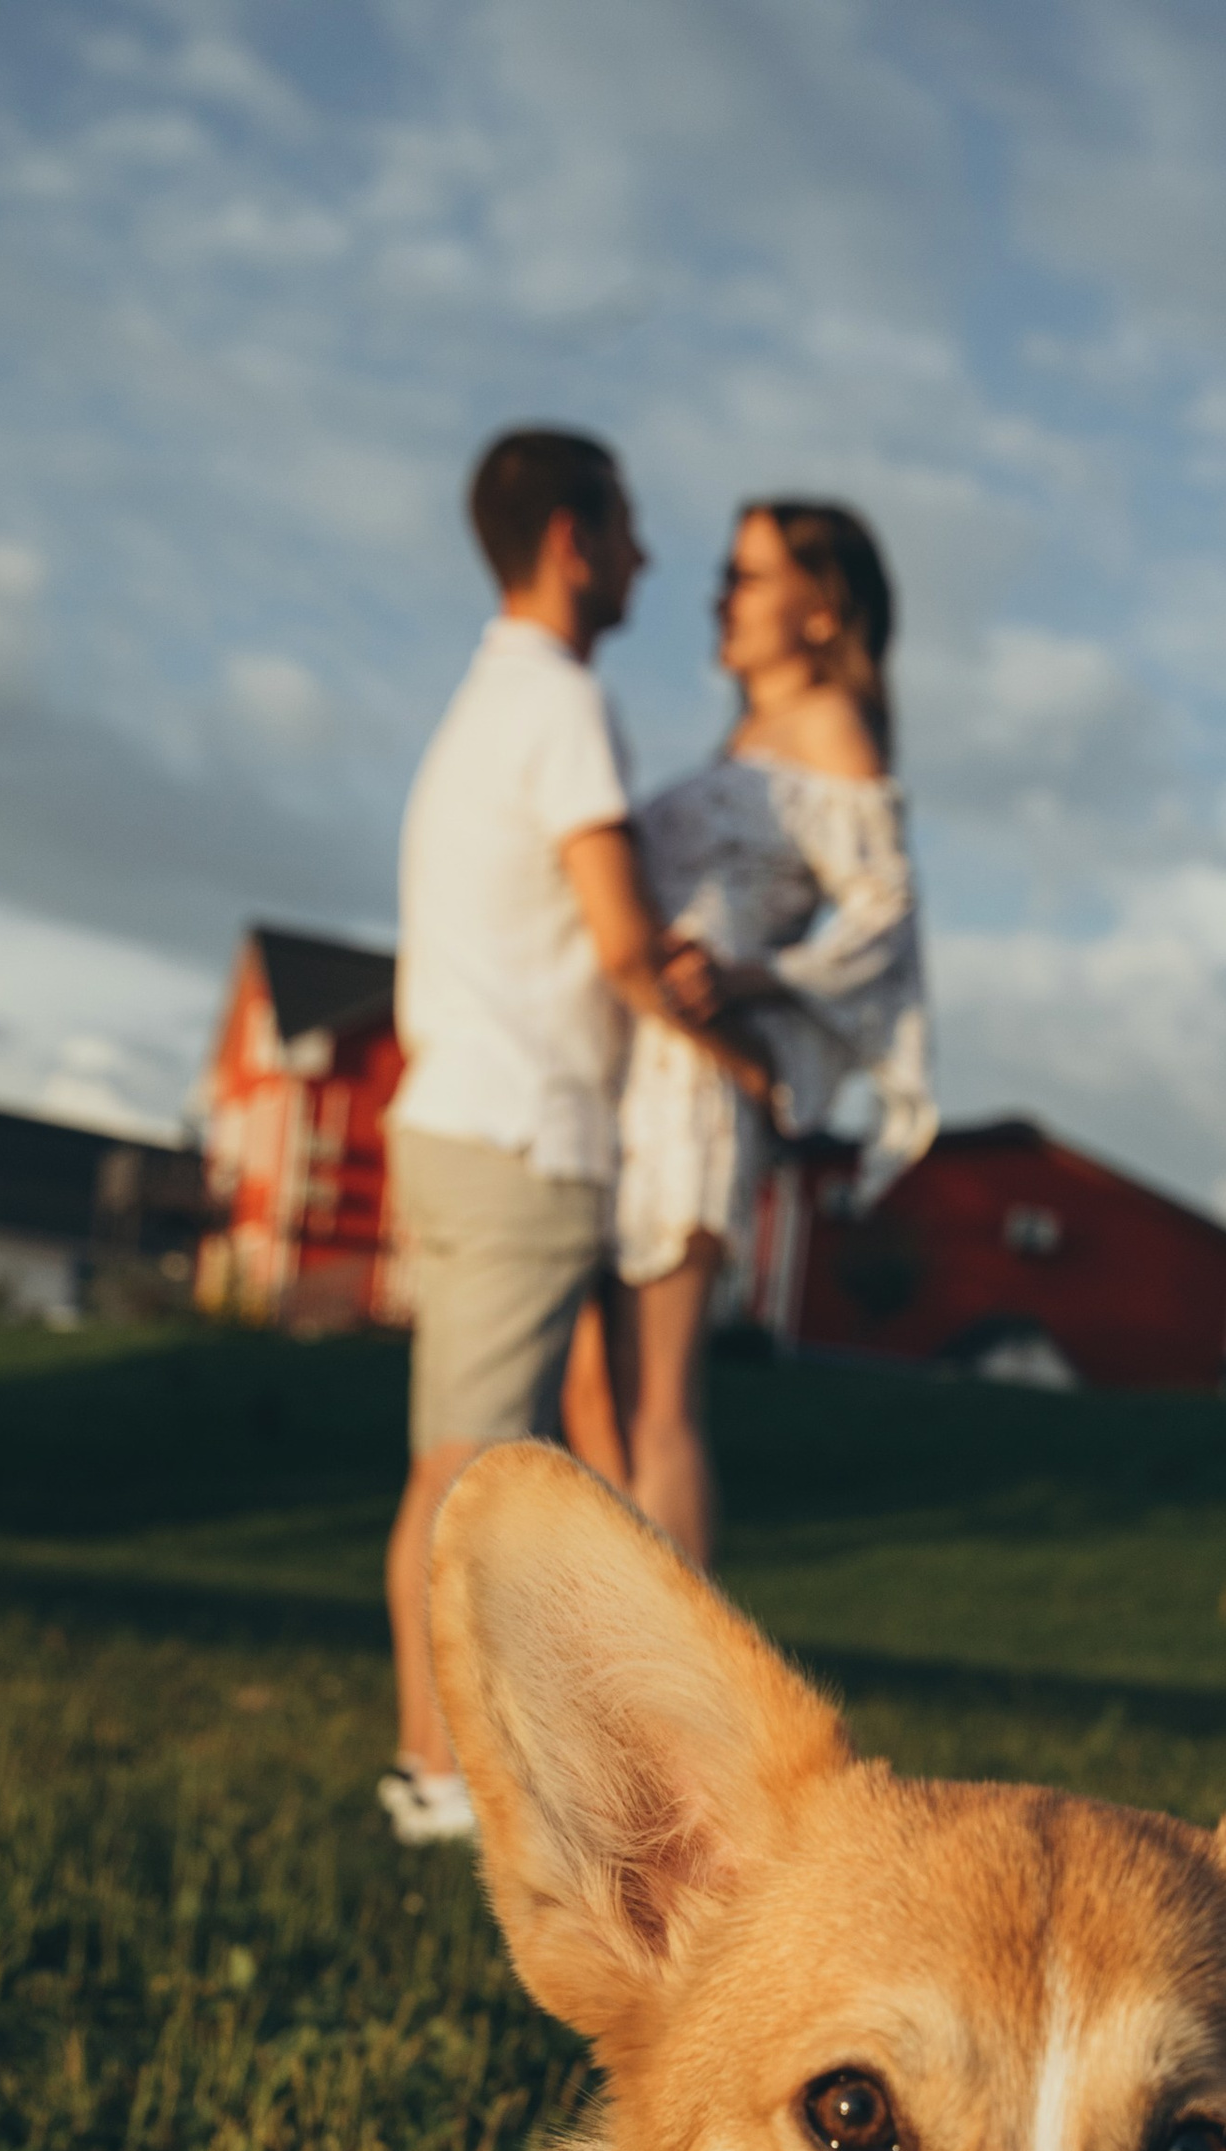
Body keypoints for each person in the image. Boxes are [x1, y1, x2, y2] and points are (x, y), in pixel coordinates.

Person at [377, 425, 759, 1847]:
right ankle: (442, 1777)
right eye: (630, 528)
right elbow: (619, 942)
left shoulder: (495, 705)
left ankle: (442, 1767)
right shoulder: (560, 706)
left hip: (472, 1123)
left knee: (467, 1460)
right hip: (523, 1133)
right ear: (571, 541)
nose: (648, 558)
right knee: (466, 1472)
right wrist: (739, 1042)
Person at [564, 500, 934, 1566]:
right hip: (633, 1065)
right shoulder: (749, 737)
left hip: (691, 1089)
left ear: (823, 609)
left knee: (661, 1399)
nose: (720, 596)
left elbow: (886, 915)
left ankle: (685, 1705)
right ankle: (606, 1666)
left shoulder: (831, 726)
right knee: (600, 1386)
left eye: (750, 575)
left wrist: (754, 978)